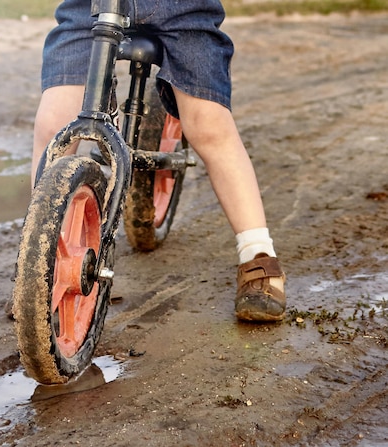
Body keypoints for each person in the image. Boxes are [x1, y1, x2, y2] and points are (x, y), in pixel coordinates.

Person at [30, 0, 286, 322]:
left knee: (209, 126)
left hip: (180, 7)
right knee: (53, 123)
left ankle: (256, 252)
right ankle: (40, 254)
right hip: (92, 6)